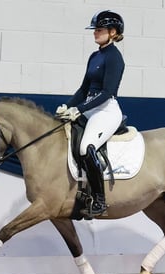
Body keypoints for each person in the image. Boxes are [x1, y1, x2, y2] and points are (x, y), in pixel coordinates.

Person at [56, 10, 125, 217]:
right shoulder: (95, 56)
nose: (95, 33)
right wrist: (67, 107)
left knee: (87, 147)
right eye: (95, 29)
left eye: (100, 29)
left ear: (113, 32)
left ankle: (99, 200)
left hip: (106, 111)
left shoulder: (114, 58)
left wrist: (80, 109)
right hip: (89, 108)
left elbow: (107, 92)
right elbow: (83, 90)